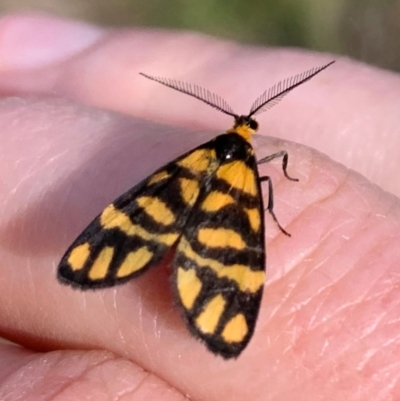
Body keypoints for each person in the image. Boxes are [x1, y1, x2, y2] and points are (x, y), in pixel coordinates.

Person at [0, 13, 399, 401]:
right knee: (256, 182)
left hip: (185, 186)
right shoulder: (250, 164)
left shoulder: (202, 154)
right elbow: (267, 179)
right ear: (249, 135)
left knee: (157, 193)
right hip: (232, 215)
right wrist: (271, 213)